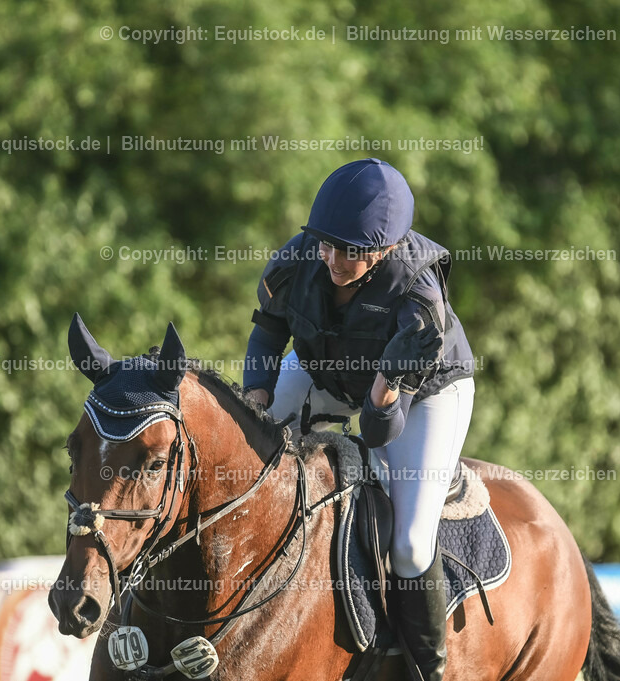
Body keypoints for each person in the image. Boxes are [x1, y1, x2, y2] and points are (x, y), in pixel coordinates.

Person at [242, 158, 475, 681]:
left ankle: (427, 670)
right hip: (324, 367)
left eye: (350, 253)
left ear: (387, 249)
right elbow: (266, 335)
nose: (332, 260)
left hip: (421, 392)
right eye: (327, 244)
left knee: (412, 544)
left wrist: (384, 386)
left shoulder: (419, 304)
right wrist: (256, 401)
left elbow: (376, 432)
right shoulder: (303, 255)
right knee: (249, 453)